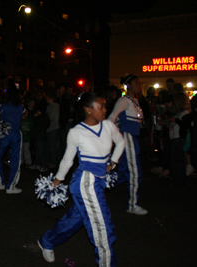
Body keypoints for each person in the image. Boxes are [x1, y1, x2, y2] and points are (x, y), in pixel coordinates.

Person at [37, 92, 125, 267]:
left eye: (105, 105)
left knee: (76, 219)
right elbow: (68, 160)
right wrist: (57, 181)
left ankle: (47, 241)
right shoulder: (76, 132)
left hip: (99, 180)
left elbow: (120, 142)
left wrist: (112, 163)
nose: (105, 109)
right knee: (102, 228)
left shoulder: (108, 125)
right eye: (101, 106)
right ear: (88, 110)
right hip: (86, 182)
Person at [108, 74, 148, 215]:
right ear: (128, 85)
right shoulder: (123, 100)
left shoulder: (134, 101)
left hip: (133, 139)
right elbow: (111, 118)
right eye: (136, 83)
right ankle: (132, 204)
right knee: (135, 172)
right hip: (127, 139)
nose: (139, 85)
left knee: (124, 173)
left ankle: (96, 187)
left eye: (139, 83)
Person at [0, 80, 25, 194]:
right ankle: (11, 186)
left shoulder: (2, 106)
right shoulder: (21, 107)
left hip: (4, 134)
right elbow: (24, 114)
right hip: (16, 134)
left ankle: (0, 183)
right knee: (15, 159)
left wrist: (0, 126)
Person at [168, 92, 193, 185]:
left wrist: (176, 120)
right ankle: (178, 178)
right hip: (176, 137)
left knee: (177, 160)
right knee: (176, 159)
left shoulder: (185, 113)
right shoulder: (180, 112)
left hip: (179, 138)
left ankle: (179, 179)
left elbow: (185, 125)